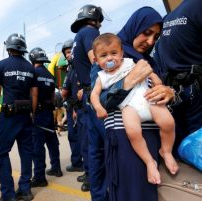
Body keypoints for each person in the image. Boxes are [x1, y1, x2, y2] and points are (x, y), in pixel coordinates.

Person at [99, 7, 174, 201]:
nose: (150, 42)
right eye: (147, 33)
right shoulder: (110, 55)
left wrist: (168, 92)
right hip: (125, 139)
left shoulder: (152, 61)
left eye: (156, 37)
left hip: (154, 137)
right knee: (132, 194)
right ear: (134, 26)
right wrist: (128, 81)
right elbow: (99, 101)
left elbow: (163, 95)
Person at [91, 33, 178, 185]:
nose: (110, 58)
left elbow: (148, 70)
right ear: (96, 60)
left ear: (122, 53)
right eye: (103, 56)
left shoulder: (130, 62)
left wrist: (156, 79)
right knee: (133, 133)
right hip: (128, 107)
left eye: (113, 53)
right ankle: (149, 161)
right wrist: (98, 107)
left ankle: (166, 151)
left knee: (168, 122)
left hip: (147, 99)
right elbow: (94, 94)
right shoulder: (101, 76)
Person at [0, 33, 38, 201]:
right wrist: (31, 113)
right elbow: (34, 94)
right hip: (25, 115)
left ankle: (8, 194)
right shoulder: (30, 67)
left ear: (9, 48)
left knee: (1, 153)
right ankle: (25, 189)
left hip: (9, 116)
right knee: (26, 152)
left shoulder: (2, 65)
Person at [153, 0, 202, 155]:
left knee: (188, 149)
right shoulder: (198, 5)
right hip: (196, 95)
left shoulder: (167, 19)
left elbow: (159, 60)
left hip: (175, 95)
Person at [71, 4, 108, 198]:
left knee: (95, 150)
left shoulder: (78, 37)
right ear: (95, 20)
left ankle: (98, 194)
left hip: (87, 96)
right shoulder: (89, 33)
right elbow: (98, 61)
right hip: (97, 95)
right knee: (109, 144)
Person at [28, 47, 62, 188]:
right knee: (52, 142)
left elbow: (34, 94)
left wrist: (32, 113)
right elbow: (53, 96)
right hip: (49, 112)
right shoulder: (49, 75)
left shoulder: (33, 73)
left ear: (32, 59)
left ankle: (40, 177)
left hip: (39, 113)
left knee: (38, 146)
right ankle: (56, 168)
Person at [61, 39, 84, 173]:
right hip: (74, 107)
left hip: (76, 108)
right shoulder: (72, 68)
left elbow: (65, 91)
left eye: (70, 52)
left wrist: (75, 108)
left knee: (77, 137)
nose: (68, 55)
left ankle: (77, 163)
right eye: (66, 53)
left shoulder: (76, 68)